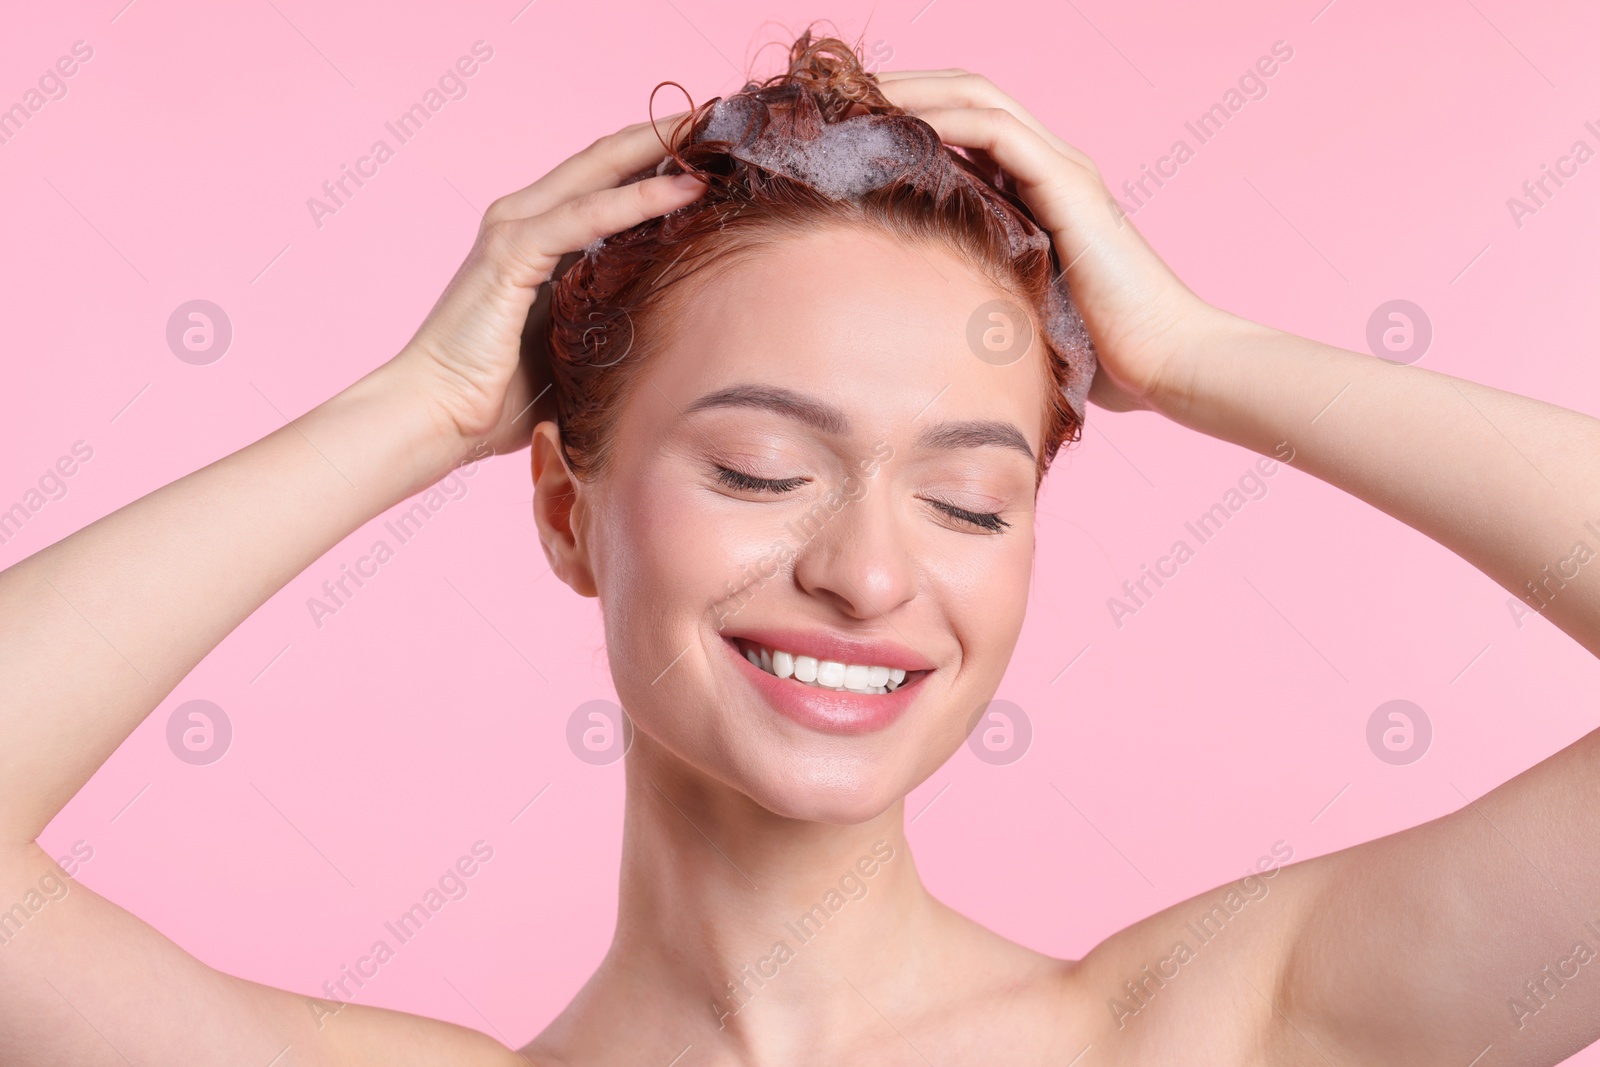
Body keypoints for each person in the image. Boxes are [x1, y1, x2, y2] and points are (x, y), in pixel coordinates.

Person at [3, 26, 1598, 1067]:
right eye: (764, 470)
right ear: (567, 508)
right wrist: (411, 411)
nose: (873, 573)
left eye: (971, 499)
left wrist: (1195, 354)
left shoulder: (1210, 1037)